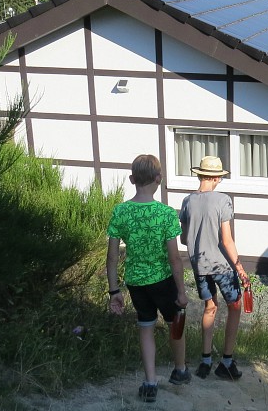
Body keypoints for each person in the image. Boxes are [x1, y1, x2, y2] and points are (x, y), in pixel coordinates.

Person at [106, 154, 190, 403]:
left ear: (131, 179)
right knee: (175, 323)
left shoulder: (120, 211)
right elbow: (175, 259)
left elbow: (111, 257)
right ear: (159, 179)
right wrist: (182, 291)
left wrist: (114, 291)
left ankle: (150, 381)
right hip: (163, 280)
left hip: (135, 282)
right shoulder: (165, 214)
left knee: (146, 328)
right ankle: (180, 370)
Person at [180, 155, 249, 381]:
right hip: (221, 265)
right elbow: (227, 240)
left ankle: (205, 361)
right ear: (216, 177)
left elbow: (183, 238)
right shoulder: (223, 200)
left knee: (210, 307)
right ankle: (227, 362)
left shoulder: (187, 201)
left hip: (199, 265)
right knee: (235, 306)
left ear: (199, 174)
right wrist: (240, 269)